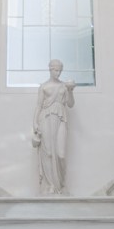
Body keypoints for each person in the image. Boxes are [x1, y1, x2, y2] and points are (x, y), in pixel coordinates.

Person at [32, 59, 76, 195]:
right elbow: (39, 106)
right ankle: (51, 184)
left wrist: (70, 91)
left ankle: (60, 185)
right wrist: (34, 122)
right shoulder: (43, 87)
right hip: (45, 118)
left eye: (60, 70)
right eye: (56, 70)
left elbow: (70, 104)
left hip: (61, 118)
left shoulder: (64, 86)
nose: (58, 73)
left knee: (60, 154)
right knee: (48, 153)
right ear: (50, 69)